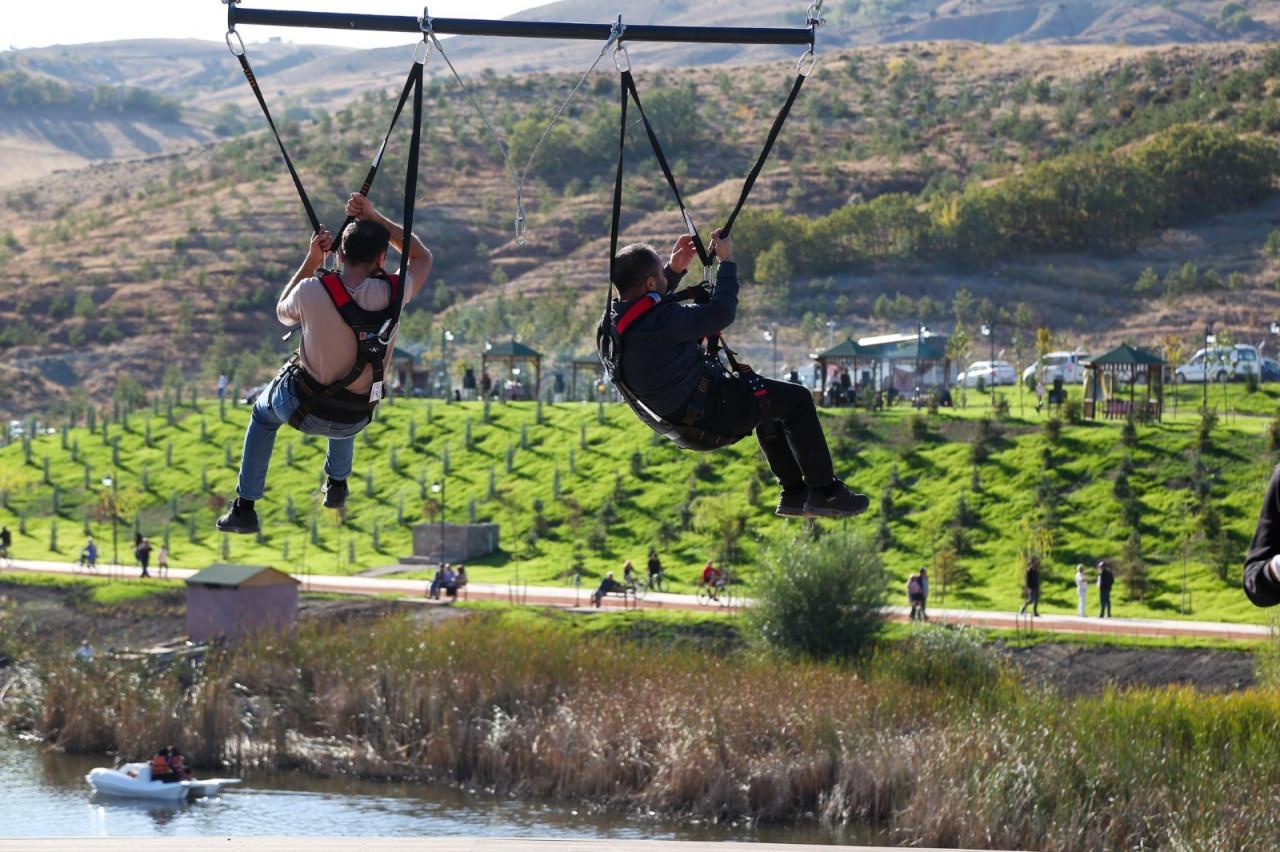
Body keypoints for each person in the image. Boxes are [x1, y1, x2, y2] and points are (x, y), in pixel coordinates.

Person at [603, 232, 868, 519]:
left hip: (683, 417)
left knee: (769, 402)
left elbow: (647, 306)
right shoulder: (664, 321)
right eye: (660, 277)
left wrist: (673, 270)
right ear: (650, 284)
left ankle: (794, 493)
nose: (664, 282)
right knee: (797, 400)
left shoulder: (611, 326)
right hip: (710, 414)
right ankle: (826, 492)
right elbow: (720, 313)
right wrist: (727, 262)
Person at [217, 194, 433, 534]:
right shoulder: (396, 292)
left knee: (262, 413)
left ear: (340, 254)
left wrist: (311, 259)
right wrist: (378, 218)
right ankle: (337, 482)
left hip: (304, 409)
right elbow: (421, 255)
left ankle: (245, 507)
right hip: (357, 417)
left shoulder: (312, 290)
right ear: (381, 257)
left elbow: (282, 313)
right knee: (350, 384)